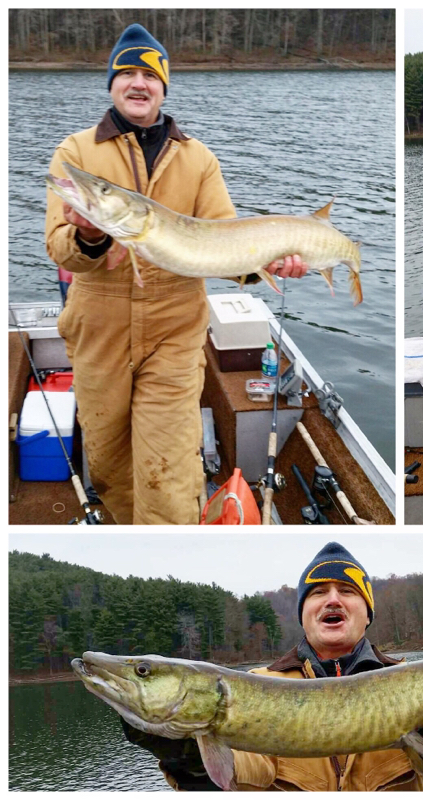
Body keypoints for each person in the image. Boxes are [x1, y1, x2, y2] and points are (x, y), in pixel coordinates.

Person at [45, 23, 307, 525]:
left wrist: (267, 263)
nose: (138, 83)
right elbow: (60, 247)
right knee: (109, 467)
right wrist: (92, 235)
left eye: (150, 75)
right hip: (98, 332)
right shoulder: (76, 153)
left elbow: (226, 242)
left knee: (167, 476)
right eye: (127, 73)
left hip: (174, 333)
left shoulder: (198, 159)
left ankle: (169, 536)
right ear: (112, 84)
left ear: (163, 88)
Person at [123, 542, 423, 791]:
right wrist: (188, 759)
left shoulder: (418, 679)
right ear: (303, 614)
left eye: (347, 591)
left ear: (367, 613)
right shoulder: (257, 685)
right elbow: (242, 776)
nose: (332, 599)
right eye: (317, 592)